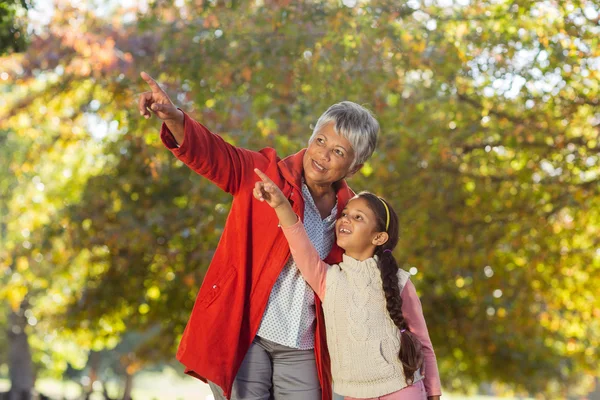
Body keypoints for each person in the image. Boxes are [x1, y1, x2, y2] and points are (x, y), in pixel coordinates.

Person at [138, 71, 380, 400]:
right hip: (247, 332)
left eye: (338, 152)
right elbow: (216, 154)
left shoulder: (351, 216)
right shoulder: (265, 173)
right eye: (320, 140)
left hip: (303, 344)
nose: (322, 154)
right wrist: (176, 118)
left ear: (354, 166)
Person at [252, 168, 442, 400]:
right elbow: (299, 243)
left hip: (402, 389)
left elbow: (423, 343)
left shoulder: (400, 282)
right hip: (351, 394)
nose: (345, 219)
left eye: (358, 217)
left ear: (378, 237)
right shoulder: (328, 279)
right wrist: (281, 205)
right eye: (345, 213)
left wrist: (434, 394)